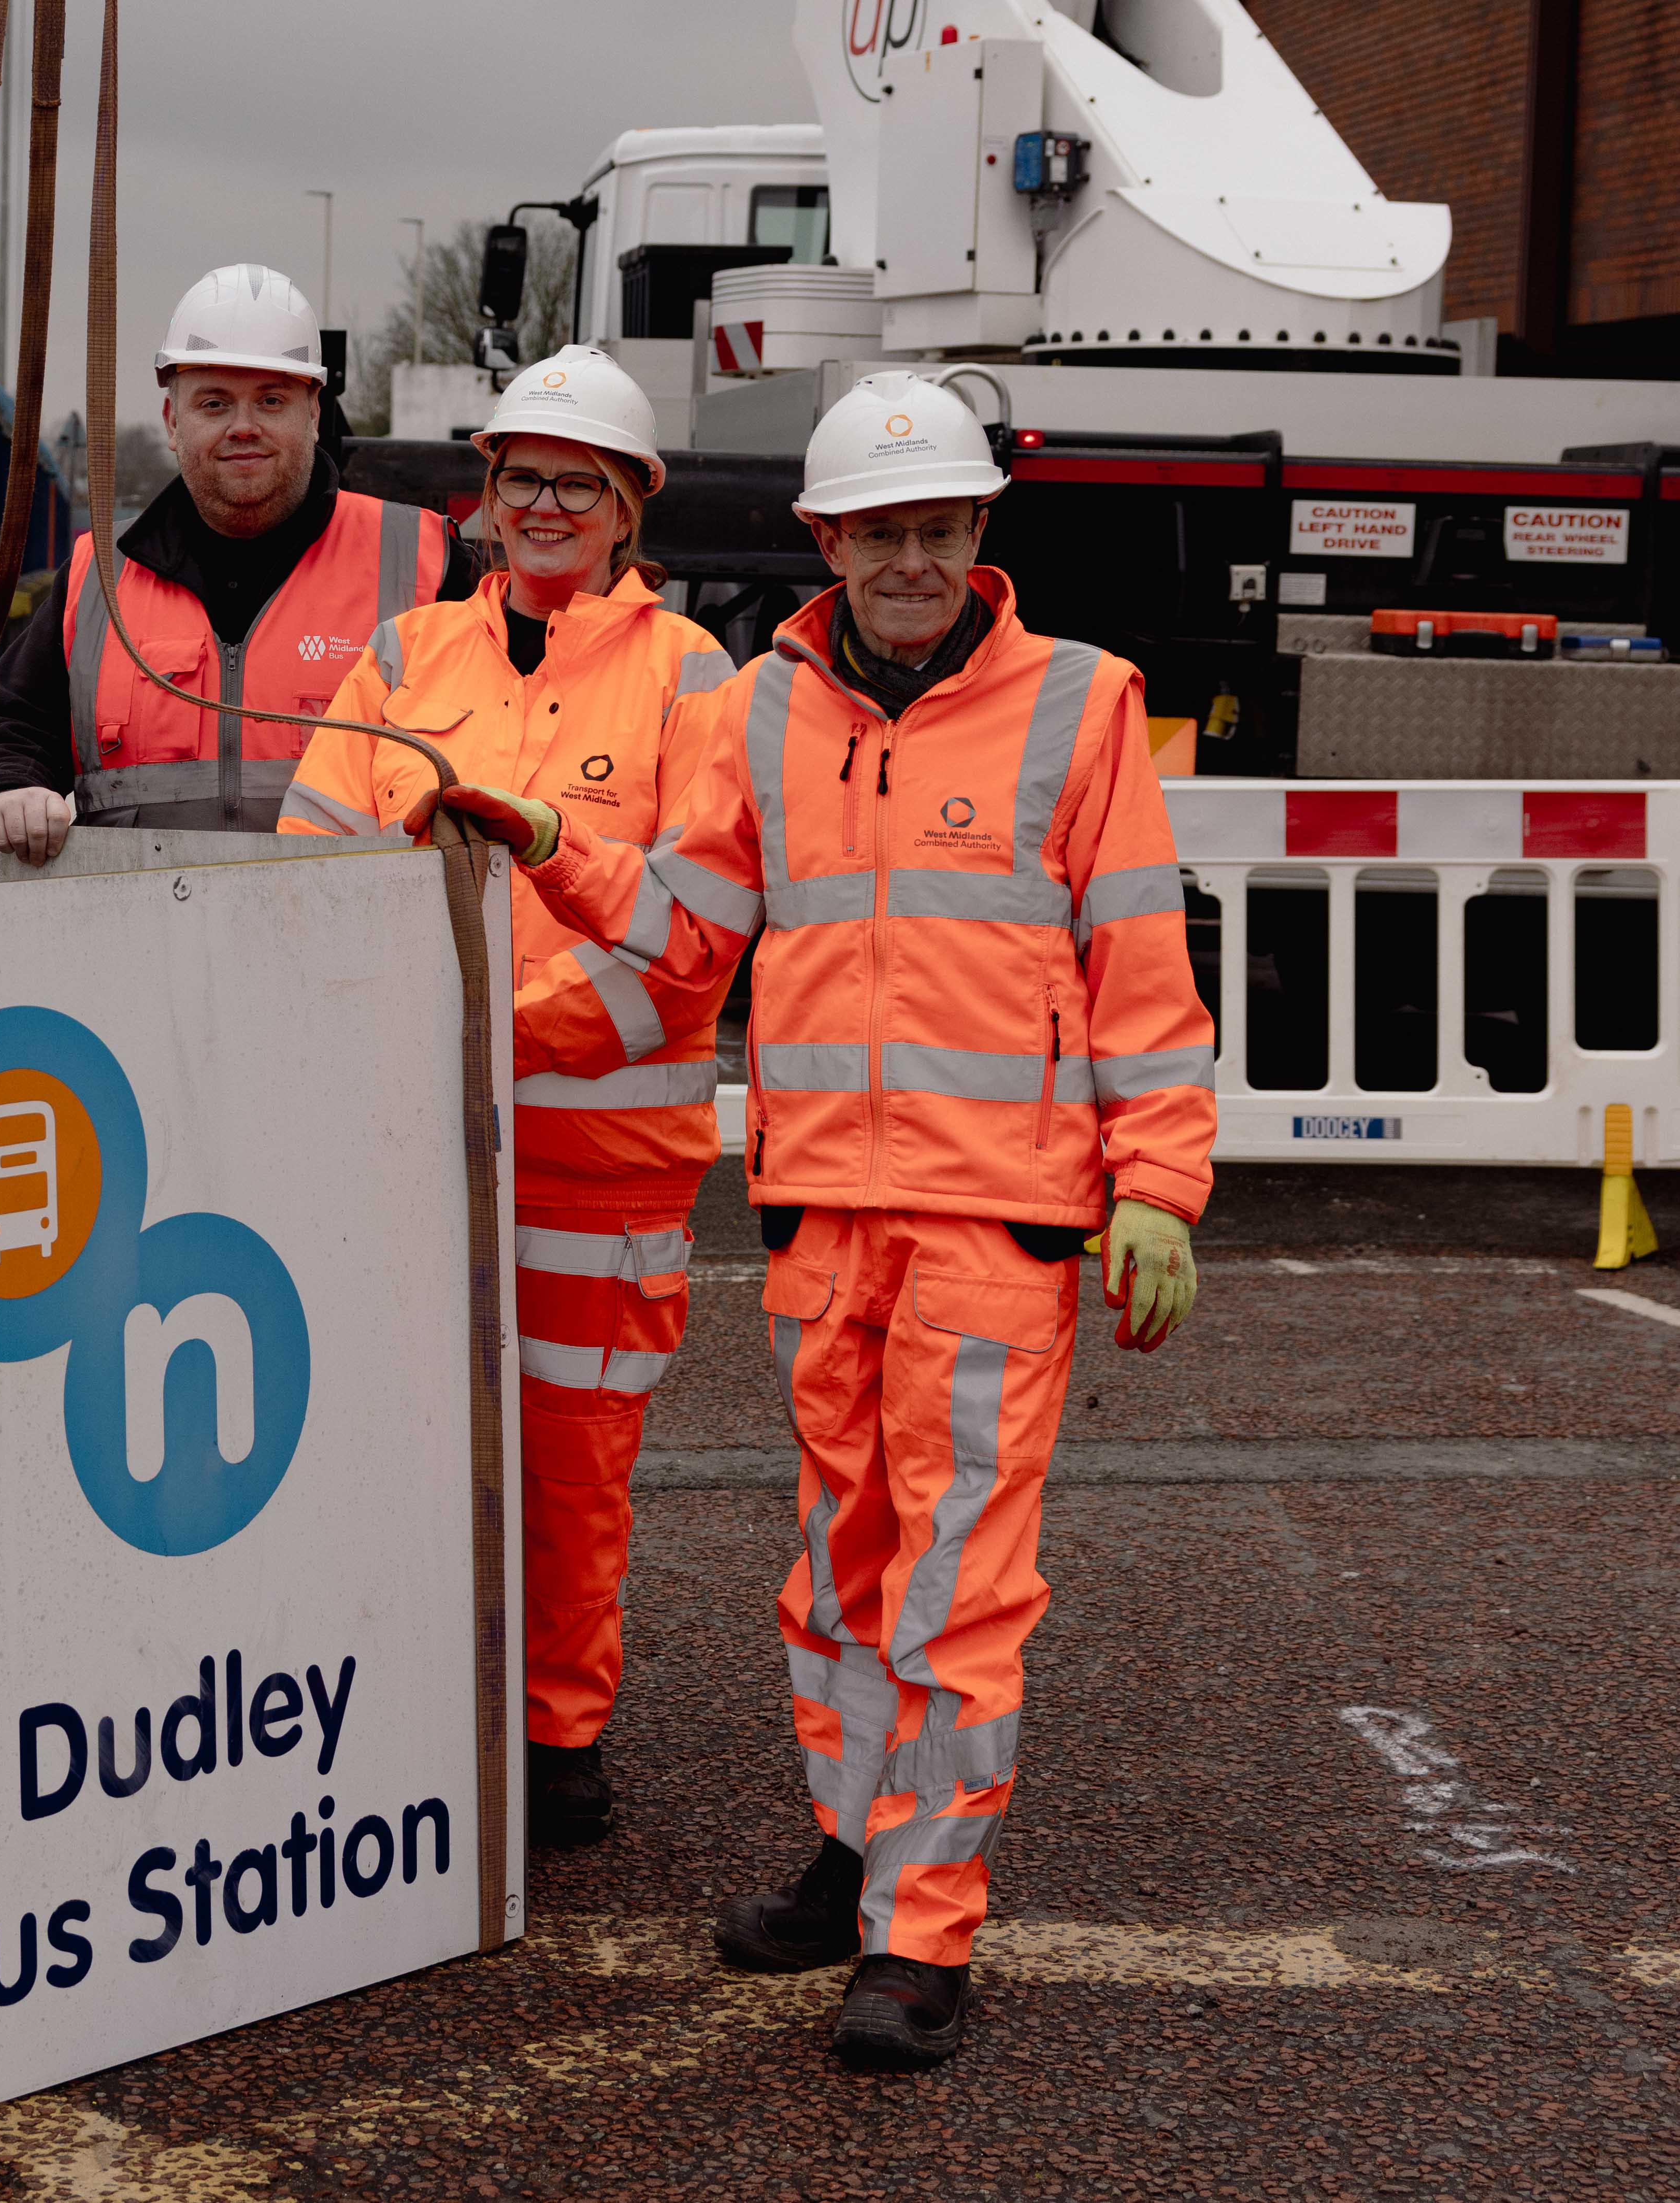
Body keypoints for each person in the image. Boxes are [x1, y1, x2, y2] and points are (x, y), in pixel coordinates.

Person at [426, 373, 1214, 2069]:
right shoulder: (763, 717)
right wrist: (552, 839)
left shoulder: (1080, 710)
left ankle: (919, 1937)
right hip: (819, 1222)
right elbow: (681, 942)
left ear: (974, 535)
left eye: (938, 528)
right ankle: (862, 1848)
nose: (911, 559)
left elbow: (1140, 981)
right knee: (843, 1575)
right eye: (882, 532)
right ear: (828, 542)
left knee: (948, 1585)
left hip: (997, 1229)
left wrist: (1156, 1188)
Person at [278, 348, 734, 1852]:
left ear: (624, 511)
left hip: (597, 1163)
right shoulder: (408, 658)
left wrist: (490, 1037)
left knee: (568, 1463)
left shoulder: (687, 676)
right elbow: (309, 873)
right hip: (405, 1142)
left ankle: (553, 1730)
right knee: (392, 1441)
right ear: (482, 500)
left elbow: (687, 941)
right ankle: (405, 1704)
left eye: (577, 484)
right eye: (522, 478)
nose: (545, 505)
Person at [0, 263, 481, 853]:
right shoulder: (98, 577)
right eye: (214, 404)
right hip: (138, 932)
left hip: (356, 932)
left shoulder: (425, 564)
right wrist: (9, 787)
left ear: (313, 416)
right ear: (172, 422)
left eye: (272, 400)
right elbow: (10, 725)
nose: (244, 427)